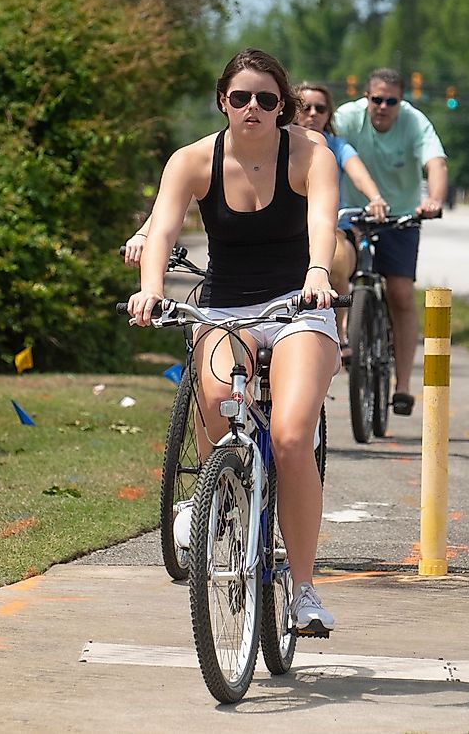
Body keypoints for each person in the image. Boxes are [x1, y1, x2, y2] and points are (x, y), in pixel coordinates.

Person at [126, 48, 340, 637]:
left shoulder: (310, 155)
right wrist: (150, 292)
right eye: (241, 97)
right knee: (219, 404)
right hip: (225, 307)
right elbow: (163, 226)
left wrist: (318, 273)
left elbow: (322, 221)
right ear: (223, 101)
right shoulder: (193, 161)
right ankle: (222, 498)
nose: (253, 108)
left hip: (299, 307)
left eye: (267, 100)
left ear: (283, 107)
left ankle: (302, 589)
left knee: (292, 435)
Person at [332, 68, 448, 417]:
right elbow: (325, 144)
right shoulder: (347, 118)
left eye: (391, 101)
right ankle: (345, 336)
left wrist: (434, 200)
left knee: (399, 293)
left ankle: (402, 386)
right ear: (366, 97)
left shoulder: (414, 122)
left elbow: (436, 162)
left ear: (401, 101)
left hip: (401, 217)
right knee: (336, 270)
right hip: (352, 215)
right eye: (376, 99)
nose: (382, 106)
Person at [294, 81, 388, 356]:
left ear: (328, 114)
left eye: (320, 108)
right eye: (305, 107)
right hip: (290, 232)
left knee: (334, 258)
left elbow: (357, 173)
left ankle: (339, 331)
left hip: (335, 228)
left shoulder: (337, 146)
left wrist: (375, 198)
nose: (312, 114)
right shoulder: (280, 143)